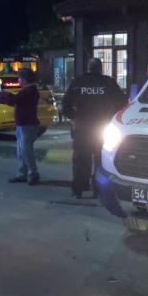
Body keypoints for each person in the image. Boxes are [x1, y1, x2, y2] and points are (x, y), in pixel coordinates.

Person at [62, 57, 127, 199]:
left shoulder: (78, 82)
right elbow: (122, 102)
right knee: (100, 158)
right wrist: (111, 117)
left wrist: (74, 117)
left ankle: (78, 189)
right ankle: (98, 189)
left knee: (80, 158)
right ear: (100, 68)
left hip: (82, 127)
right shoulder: (108, 83)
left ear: (88, 68)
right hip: (102, 127)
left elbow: (65, 104)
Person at [0, 69, 42, 186]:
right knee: (22, 151)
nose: (18, 80)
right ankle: (23, 174)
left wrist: (1, 95)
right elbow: (16, 99)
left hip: (27, 125)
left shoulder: (28, 91)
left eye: (19, 78)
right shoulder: (28, 90)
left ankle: (33, 174)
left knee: (26, 151)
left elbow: (13, 101)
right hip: (23, 124)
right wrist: (7, 95)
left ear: (24, 79)